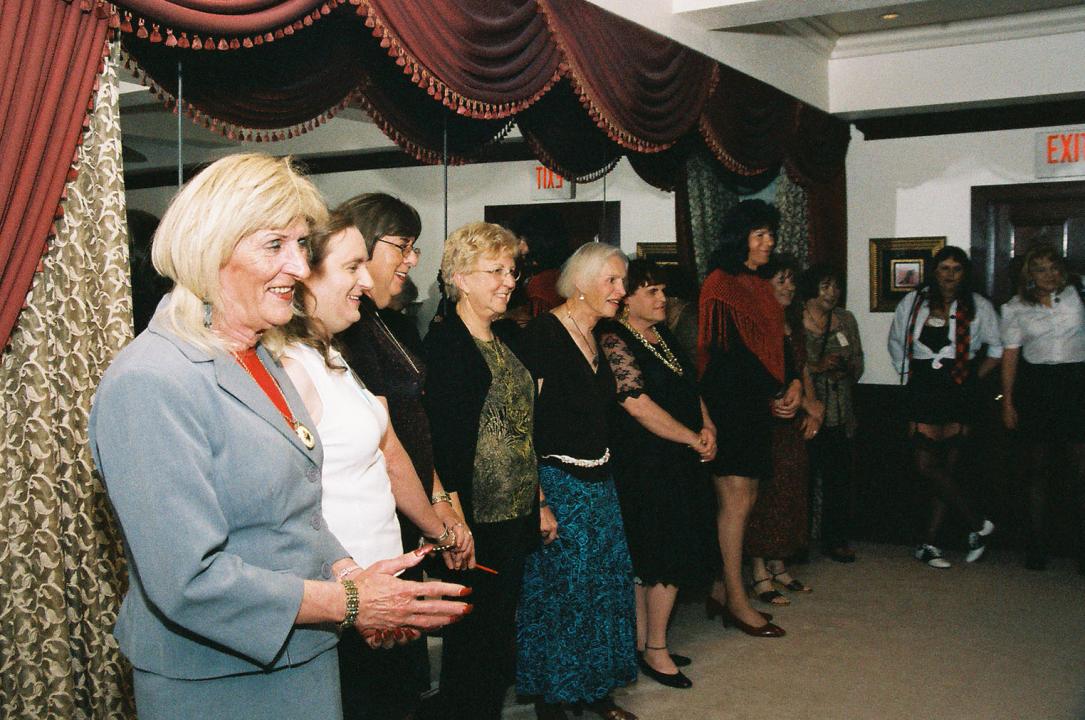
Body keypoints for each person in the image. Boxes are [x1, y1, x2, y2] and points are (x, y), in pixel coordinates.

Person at [88, 153, 469, 720]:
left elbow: (299, 513)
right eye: (275, 245)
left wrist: (350, 573)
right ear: (209, 249)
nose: (297, 265)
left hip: (302, 652)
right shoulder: (151, 380)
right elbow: (189, 580)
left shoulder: (259, 354)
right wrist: (350, 602)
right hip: (218, 677)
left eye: (301, 244)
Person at [273, 210, 470, 720]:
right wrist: (352, 595)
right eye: (351, 267)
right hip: (342, 601)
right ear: (305, 277)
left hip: (379, 585)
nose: (366, 280)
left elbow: (388, 451)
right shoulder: (290, 369)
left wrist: (438, 529)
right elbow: (286, 512)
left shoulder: (332, 355)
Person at [422, 222, 540, 719]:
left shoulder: (506, 337)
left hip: (513, 511)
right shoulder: (445, 346)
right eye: (495, 271)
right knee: (473, 639)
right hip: (474, 518)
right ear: (460, 278)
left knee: (495, 636)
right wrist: (453, 521)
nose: (509, 281)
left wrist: (539, 502)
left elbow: (523, 430)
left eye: (511, 271)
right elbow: (439, 445)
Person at [516, 242, 638, 720]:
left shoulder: (599, 336)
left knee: (602, 589)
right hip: (558, 483)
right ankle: (555, 699)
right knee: (561, 594)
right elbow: (520, 425)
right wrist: (539, 499)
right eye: (612, 280)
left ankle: (595, 689)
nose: (621, 290)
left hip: (600, 481)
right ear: (581, 284)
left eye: (623, 281)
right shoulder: (542, 336)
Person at [597, 258, 716, 690]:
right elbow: (637, 405)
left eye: (663, 290)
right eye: (652, 291)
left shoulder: (662, 335)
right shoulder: (613, 338)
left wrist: (708, 426)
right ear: (627, 299)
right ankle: (656, 648)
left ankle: (647, 641)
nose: (663, 298)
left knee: (661, 552)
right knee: (661, 554)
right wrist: (691, 437)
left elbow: (688, 386)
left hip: (677, 456)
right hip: (644, 462)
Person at [698, 199, 792, 638]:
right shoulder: (721, 283)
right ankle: (737, 600)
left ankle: (721, 587)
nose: (768, 242)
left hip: (754, 405)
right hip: (729, 405)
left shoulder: (758, 284)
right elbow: (725, 357)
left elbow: (778, 346)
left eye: (771, 233)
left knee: (747, 499)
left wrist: (789, 385)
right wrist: (775, 389)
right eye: (759, 234)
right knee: (734, 503)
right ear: (740, 238)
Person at [888, 246, 1001, 569]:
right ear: (934, 272)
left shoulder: (978, 306)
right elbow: (897, 343)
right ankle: (978, 523)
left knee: (947, 469)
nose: (950, 275)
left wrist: (972, 378)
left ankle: (929, 543)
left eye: (956, 269)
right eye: (944, 268)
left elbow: (997, 348)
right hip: (923, 387)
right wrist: (910, 375)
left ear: (965, 273)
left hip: (960, 389)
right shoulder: (914, 302)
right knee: (925, 465)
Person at [999, 245, 1085, 572]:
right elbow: (1010, 357)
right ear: (1029, 274)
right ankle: (1036, 543)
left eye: (1053, 267)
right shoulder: (1015, 307)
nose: (1048, 274)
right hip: (1038, 388)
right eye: (1040, 269)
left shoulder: (1079, 293)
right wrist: (1008, 402)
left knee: (1080, 470)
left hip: (1076, 385)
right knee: (1037, 470)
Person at [746, 257, 823, 607]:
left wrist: (812, 407)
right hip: (763, 418)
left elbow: (801, 370)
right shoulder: (753, 324)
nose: (789, 287)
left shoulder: (791, 323)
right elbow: (750, 377)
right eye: (781, 280)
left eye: (792, 280)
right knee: (764, 495)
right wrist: (771, 402)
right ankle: (759, 571)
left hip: (791, 417)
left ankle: (779, 564)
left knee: (790, 489)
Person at [800, 264, 864, 563]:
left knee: (839, 480)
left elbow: (859, 363)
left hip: (840, 412)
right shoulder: (794, 318)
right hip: (807, 413)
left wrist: (846, 368)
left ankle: (835, 540)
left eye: (836, 286)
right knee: (803, 480)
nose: (832, 292)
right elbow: (790, 365)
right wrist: (818, 366)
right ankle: (797, 542)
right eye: (825, 285)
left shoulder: (845, 320)